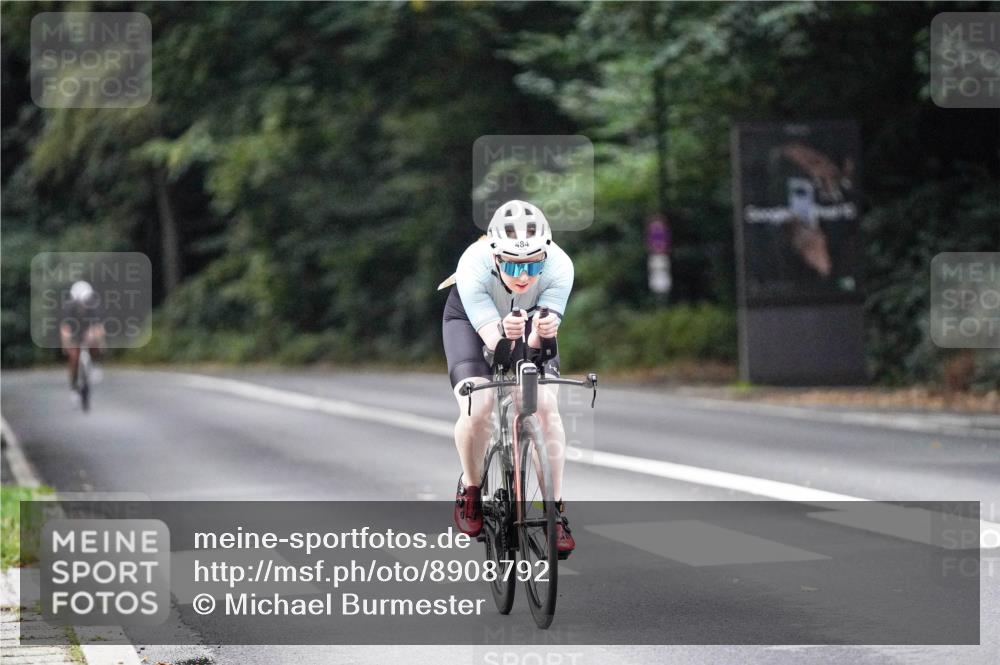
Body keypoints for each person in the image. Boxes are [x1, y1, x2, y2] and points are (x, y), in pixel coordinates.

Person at [441, 200, 576, 557]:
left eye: (533, 265)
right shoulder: (473, 263)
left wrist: (540, 334)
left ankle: (555, 511)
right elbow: (498, 349)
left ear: (546, 255)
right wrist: (505, 335)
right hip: (472, 323)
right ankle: (471, 489)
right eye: (513, 264)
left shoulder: (560, 266)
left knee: (544, 407)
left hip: (526, 320)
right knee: (479, 405)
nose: (523, 276)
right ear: (496, 256)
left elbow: (538, 348)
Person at [60, 281, 105, 393]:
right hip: (74, 334)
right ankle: (74, 386)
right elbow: (65, 328)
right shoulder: (68, 309)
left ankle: (95, 364)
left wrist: (100, 341)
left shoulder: (93, 308)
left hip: (87, 331)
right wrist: (66, 343)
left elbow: (98, 327)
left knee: (95, 343)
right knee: (73, 357)